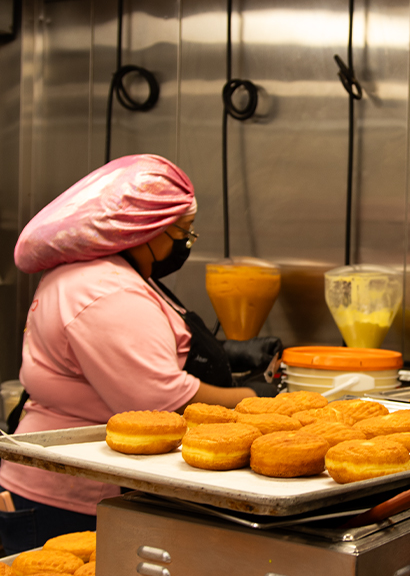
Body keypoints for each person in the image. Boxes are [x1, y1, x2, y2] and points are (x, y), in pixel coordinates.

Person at [0, 155, 277, 554]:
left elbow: (145, 350)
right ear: (146, 229)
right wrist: (251, 399)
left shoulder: (109, 273)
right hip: (68, 500)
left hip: (79, 488)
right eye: (183, 231)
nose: (185, 242)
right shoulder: (105, 290)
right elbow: (159, 399)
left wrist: (227, 356)